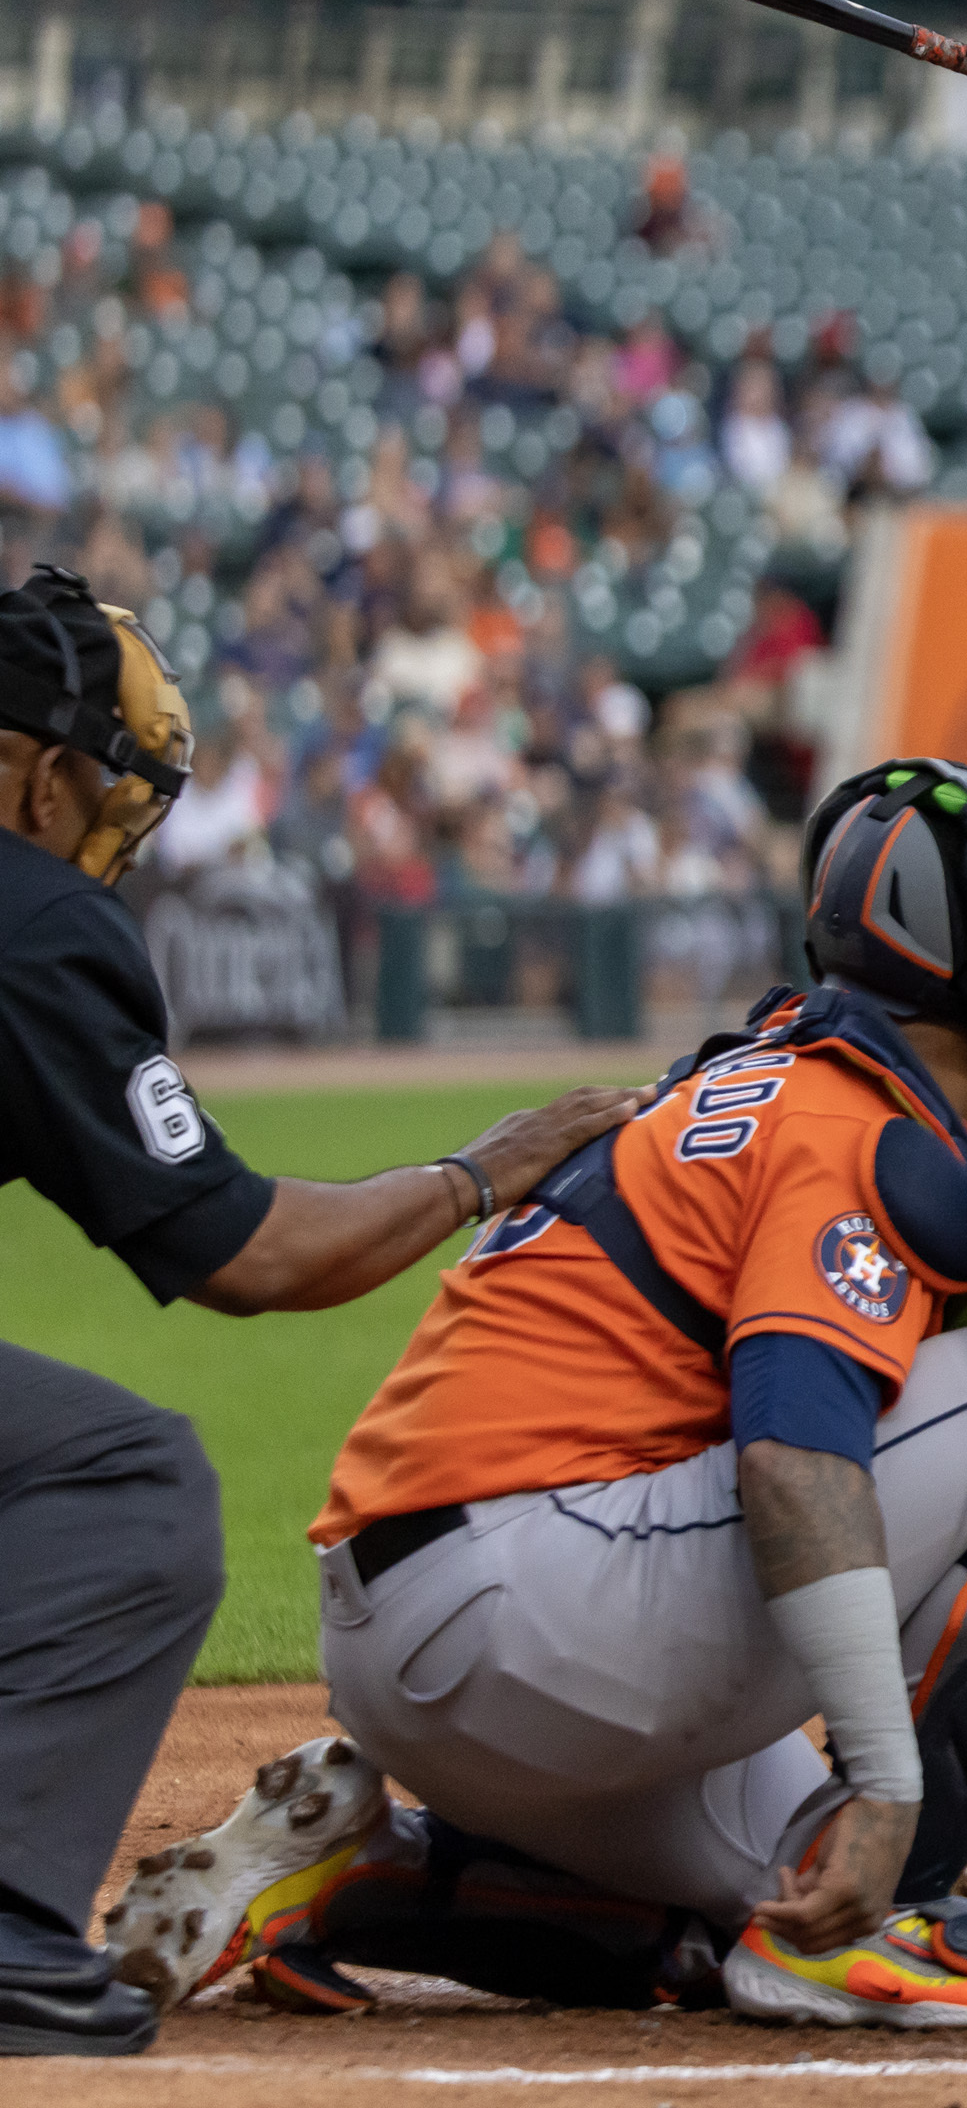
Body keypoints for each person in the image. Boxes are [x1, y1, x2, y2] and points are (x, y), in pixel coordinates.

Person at [108, 758, 967, 2033]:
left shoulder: (763, 1083)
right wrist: (879, 1785)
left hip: (434, 1630)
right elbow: (799, 1455)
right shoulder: (852, 1126)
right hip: (543, 1607)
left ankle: (360, 1873)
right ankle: (893, 1904)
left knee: (753, 1917)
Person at [0, 566, 636, 2055]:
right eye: (101, 775)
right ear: (34, 767)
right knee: (123, 1480)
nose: (111, 811)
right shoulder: (30, 918)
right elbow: (250, 1253)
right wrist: (482, 1171)